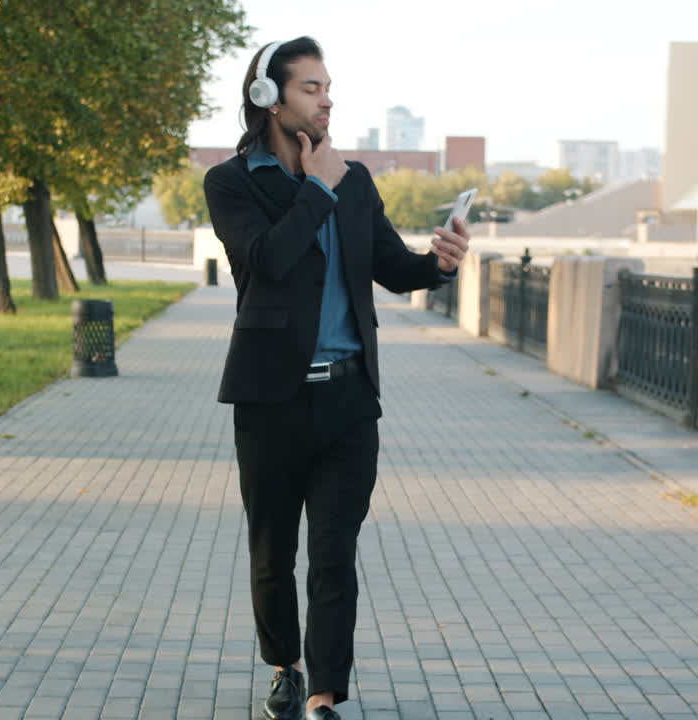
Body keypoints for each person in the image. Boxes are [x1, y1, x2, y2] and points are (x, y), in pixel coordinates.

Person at [202, 37, 470, 720]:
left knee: (332, 554)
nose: (327, 101)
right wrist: (317, 187)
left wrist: (439, 264)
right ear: (269, 97)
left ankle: (324, 692)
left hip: (349, 399)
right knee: (273, 552)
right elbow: (269, 260)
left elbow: (392, 268)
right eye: (312, 88)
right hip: (270, 399)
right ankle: (284, 667)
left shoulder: (355, 180)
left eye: (328, 88)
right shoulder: (232, 183)